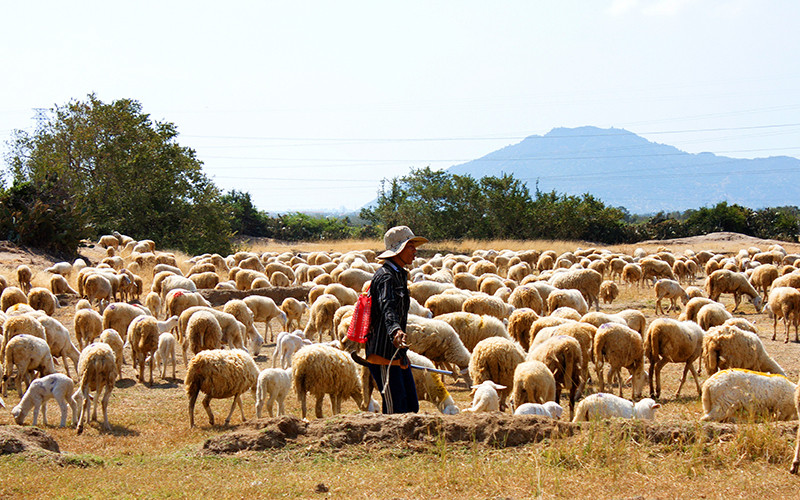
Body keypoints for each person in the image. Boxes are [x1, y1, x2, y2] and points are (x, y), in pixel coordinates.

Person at [365, 225, 427, 414]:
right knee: (396, 408)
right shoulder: (386, 277)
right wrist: (395, 331)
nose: (415, 251)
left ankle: (407, 442)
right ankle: (393, 443)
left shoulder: (399, 275)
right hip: (384, 352)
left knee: (411, 405)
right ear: (398, 250)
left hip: (396, 351)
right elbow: (387, 307)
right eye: (410, 246)